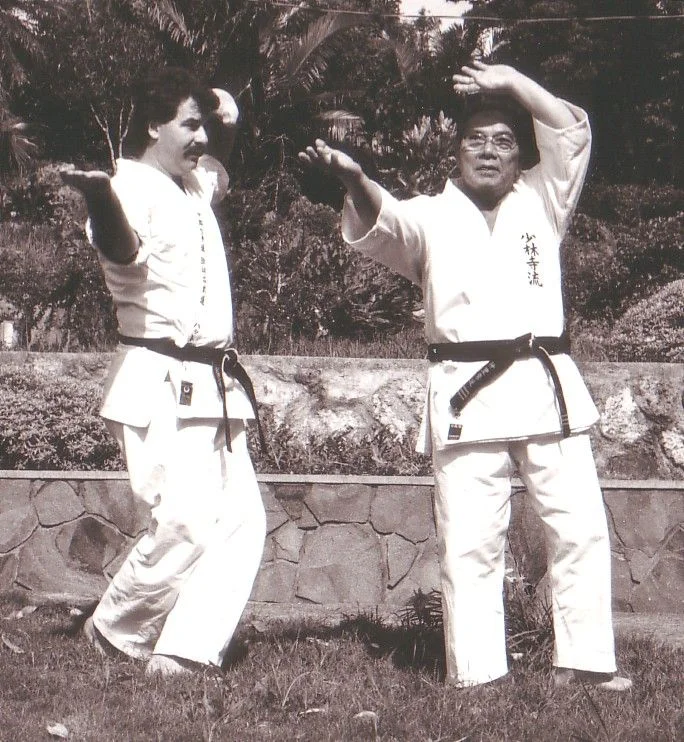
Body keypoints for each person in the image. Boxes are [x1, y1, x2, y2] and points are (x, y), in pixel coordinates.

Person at [299, 60, 631, 691]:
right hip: (466, 390)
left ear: (520, 156)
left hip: (544, 381)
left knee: (580, 525)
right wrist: (355, 177)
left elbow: (570, 132)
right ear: (455, 152)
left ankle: (585, 664)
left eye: (503, 140)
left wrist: (508, 81)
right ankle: (477, 674)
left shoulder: (543, 197)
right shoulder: (430, 215)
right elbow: (382, 221)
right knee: (471, 540)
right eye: (475, 139)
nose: (488, 150)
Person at [61, 67, 266, 676]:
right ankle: (113, 630)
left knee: (242, 520)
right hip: (157, 375)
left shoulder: (194, 184)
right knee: (183, 518)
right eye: (188, 124)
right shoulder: (128, 186)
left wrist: (223, 120)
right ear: (153, 125)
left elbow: (216, 159)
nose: (200, 138)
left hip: (215, 381)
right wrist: (98, 194)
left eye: (202, 126)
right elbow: (121, 249)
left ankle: (184, 650)